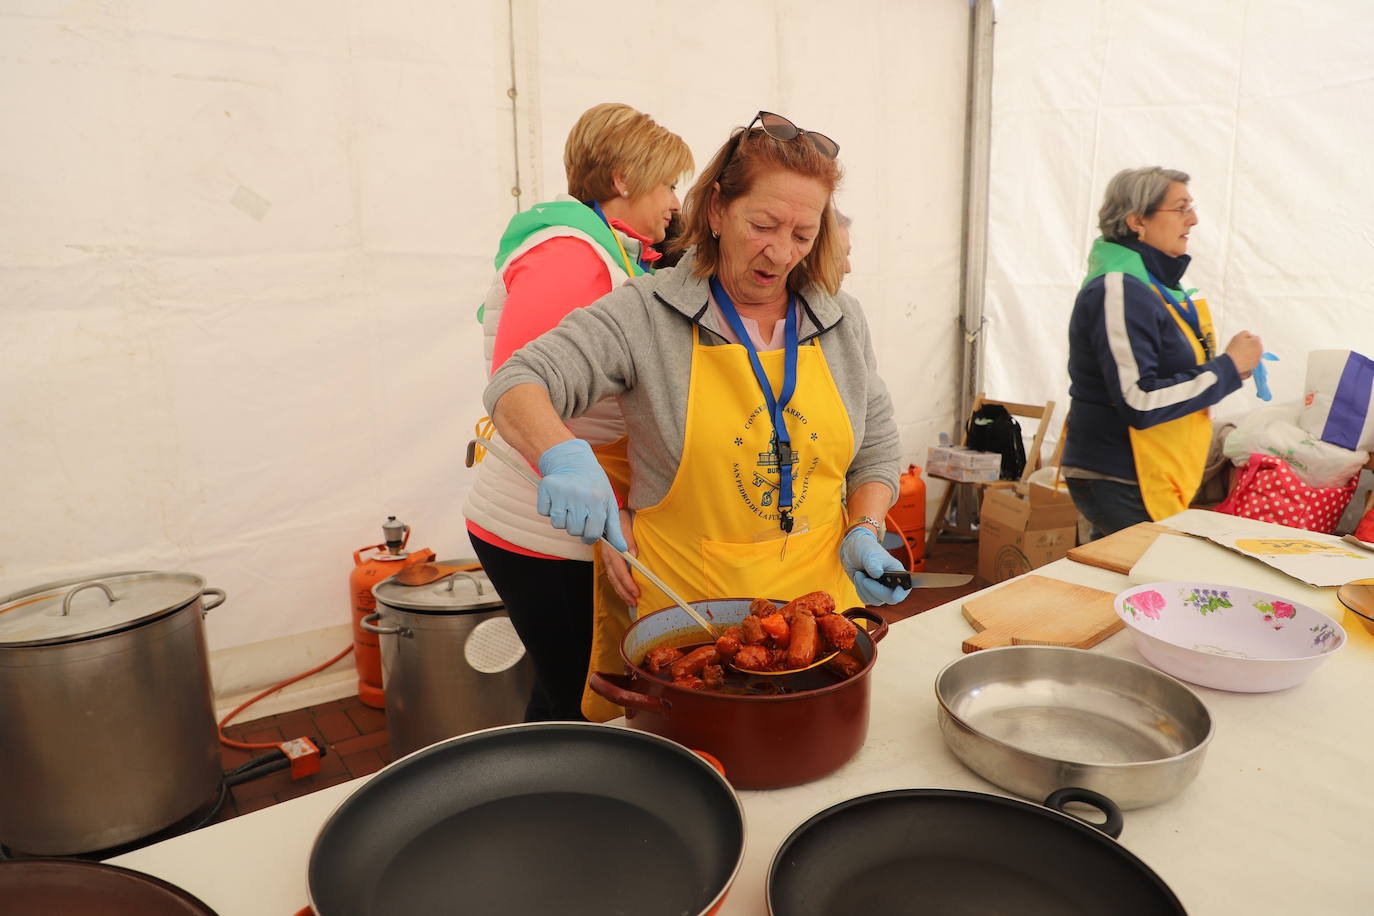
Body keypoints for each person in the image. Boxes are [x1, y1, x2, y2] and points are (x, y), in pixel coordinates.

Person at [483, 110, 911, 632]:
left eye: (803, 234)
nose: (780, 253)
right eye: (762, 226)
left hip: (820, 614)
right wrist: (563, 455)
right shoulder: (646, 311)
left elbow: (878, 448)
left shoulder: (842, 319)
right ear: (715, 210)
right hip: (688, 619)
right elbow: (518, 380)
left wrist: (864, 526)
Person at [464, 102, 692, 721]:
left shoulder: (610, 252)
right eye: (669, 182)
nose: (677, 201)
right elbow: (522, 389)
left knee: (564, 687)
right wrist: (605, 505)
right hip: (544, 527)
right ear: (622, 179)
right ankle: (552, 804)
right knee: (572, 697)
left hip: (552, 517)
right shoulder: (573, 252)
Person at [1062, 166, 1264, 539]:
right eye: (1181, 207)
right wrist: (1228, 368)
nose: (1194, 219)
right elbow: (1140, 400)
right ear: (1137, 221)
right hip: (1120, 472)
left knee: (1127, 584)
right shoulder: (1118, 288)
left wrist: (1229, 368)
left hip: (1147, 469)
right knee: (1133, 586)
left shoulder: (1153, 286)